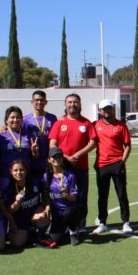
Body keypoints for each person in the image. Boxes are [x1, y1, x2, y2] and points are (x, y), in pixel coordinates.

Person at [48, 93, 97, 230]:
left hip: (80, 167)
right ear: (65, 105)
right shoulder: (59, 123)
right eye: (69, 102)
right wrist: (64, 158)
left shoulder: (86, 123)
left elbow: (93, 143)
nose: (72, 105)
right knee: (61, 196)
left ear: (80, 104)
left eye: (75, 102)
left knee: (81, 197)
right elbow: (53, 144)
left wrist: (77, 155)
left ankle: (80, 226)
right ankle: (62, 226)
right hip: (62, 168)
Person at [92, 99, 132, 235]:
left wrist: (122, 162)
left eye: (109, 108)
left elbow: (128, 146)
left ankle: (126, 222)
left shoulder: (121, 126)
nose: (107, 111)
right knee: (102, 195)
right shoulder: (95, 125)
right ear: (100, 111)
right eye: (104, 109)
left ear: (113, 109)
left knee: (122, 194)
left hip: (117, 164)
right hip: (101, 165)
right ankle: (102, 222)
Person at [4, 159, 50, 248]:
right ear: (11, 172)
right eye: (15, 170)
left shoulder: (35, 182)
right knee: (18, 243)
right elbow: (10, 210)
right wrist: (17, 202)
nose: (19, 173)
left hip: (35, 214)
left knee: (43, 216)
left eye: (22, 170)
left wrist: (45, 207)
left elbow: (45, 195)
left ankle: (40, 235)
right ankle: (16, 234)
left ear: (26, 171)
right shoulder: (9, 189)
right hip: (20, 220)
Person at [45, 147, 84, 246]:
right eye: (54, 157)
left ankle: (73, 231)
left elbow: (74, 198)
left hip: (71, 211)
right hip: (57, 215)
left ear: (62, 159)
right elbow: (45, 195)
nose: (57, 159)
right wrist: (47, 207)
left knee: (68, 213)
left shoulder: (70, 175)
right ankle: (65, 230)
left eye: (59, 157)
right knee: (53, 240)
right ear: (49, 159)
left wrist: (67, 195)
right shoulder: (46, 177)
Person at [0, 106, 40, 181]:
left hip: (25, 176)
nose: (15, 120)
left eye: (18, 117)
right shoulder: (0, 136)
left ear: (22, 120)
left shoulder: (28, 134)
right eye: (12, 117)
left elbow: (35, 156)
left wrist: (35, 152)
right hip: (6, 177)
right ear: (6, 120)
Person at [23, 90, 58, 178]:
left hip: (49, 160)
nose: (39, 102)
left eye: (42, 100)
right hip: (33, 161)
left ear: (46, 102)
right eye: (36, 100)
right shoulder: (25, 120)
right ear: (32, 102)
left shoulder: (52, 118)